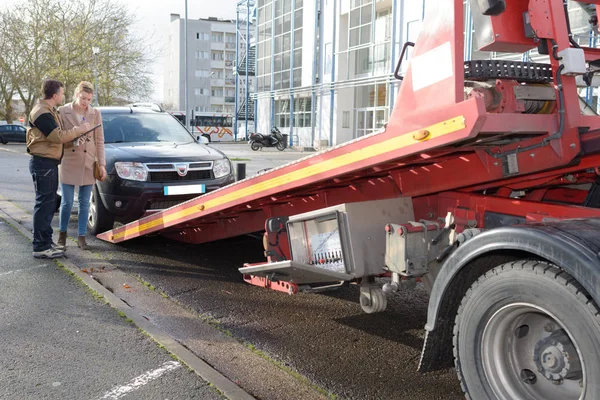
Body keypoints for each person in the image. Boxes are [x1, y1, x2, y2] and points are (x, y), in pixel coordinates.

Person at [27, 79, 90, 259]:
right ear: (55, 95)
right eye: (62, 93)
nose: (63, 96)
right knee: (44, 205)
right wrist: (79, 130)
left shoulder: (48, 111)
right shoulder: (41, 113)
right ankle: (40, 247)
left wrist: (75, 140)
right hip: (43, 164)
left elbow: (54, 138)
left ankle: (46, 243)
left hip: (48, 163)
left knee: (47, 205)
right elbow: (57, 137)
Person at [57, 81, 106, 250]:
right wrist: (77, 134)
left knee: (85, 202)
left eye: (89, 99)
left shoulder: (95, 113)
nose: (85, 102)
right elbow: (59, 136)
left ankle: (82, 237)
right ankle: (62, 235)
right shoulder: (63, 111)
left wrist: (102, 164)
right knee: (67, 202)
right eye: (83, 97)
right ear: (76, 94)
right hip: (68, 161)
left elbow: (100, 141)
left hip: (88, 162)